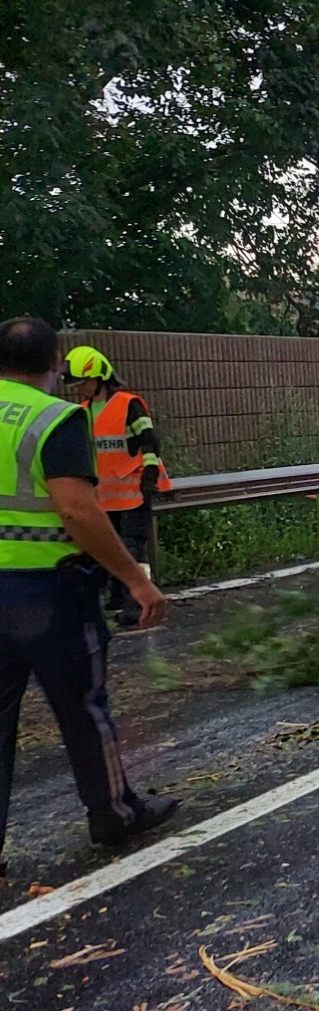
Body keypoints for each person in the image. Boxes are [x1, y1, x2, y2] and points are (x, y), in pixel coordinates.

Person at [0, 318, 178, 861]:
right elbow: (76, 509)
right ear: (54, 363)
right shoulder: (55, 417)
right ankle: (113, 812)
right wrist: (134, 579)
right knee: (85, 708)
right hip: (50, 594)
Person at [61, 346, 171, 630]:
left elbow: (149, 441)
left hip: (134, 491)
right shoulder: (81, 412)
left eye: (83, 383)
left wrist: (149, 475)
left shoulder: (128, 404)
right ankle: (118, 598)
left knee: (133, 548)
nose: (80, 389)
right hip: (103, 496)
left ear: (99, 377)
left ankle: (136, 607)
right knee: (107, 547)